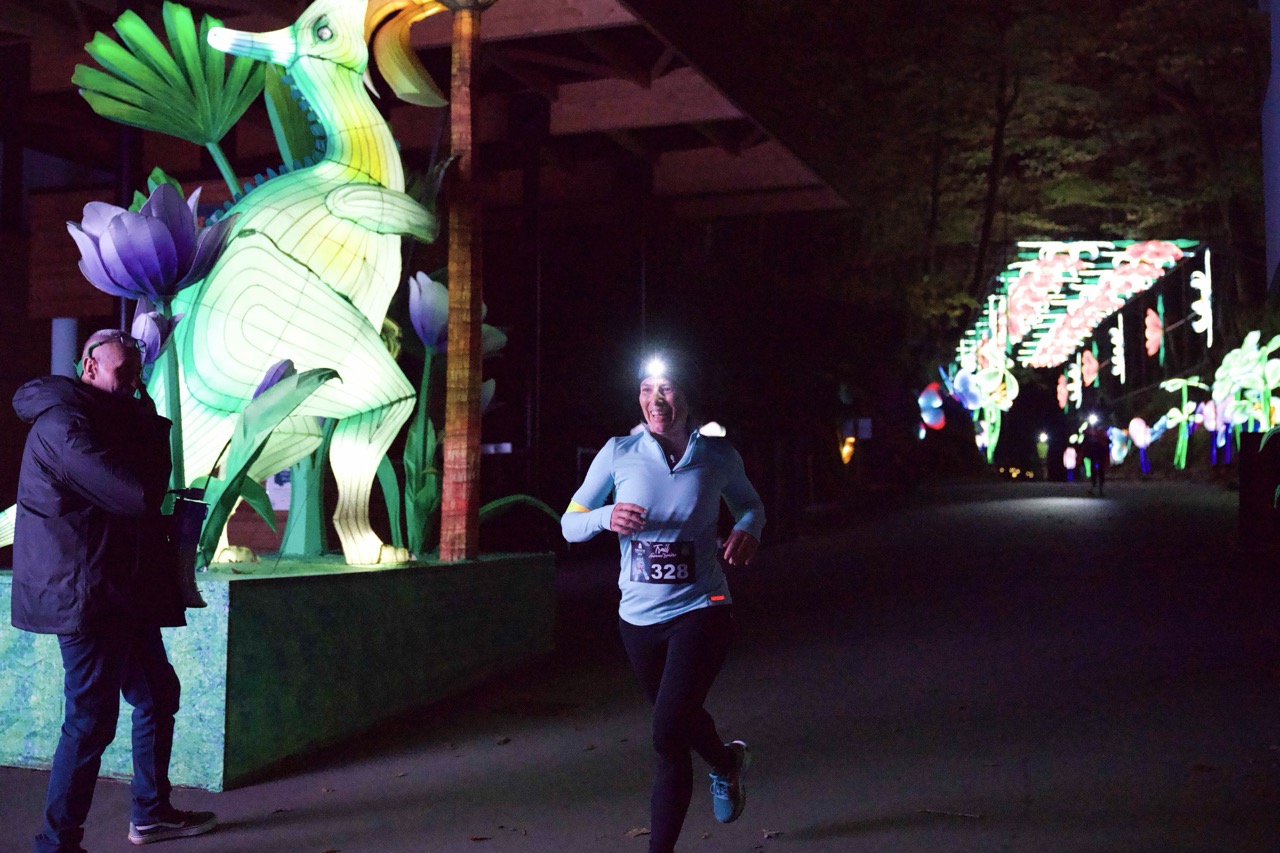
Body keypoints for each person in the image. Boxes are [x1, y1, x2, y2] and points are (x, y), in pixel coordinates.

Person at [11, 329, 216, 852]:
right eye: (124, 372)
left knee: (157, 693)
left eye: (137, 373)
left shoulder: (103, 417)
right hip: (87, 596)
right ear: (89, 367)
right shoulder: (64, 426)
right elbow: (137, 494)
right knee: (89, 721)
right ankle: (56, 845)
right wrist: (150, 423)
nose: (134, 383)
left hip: (118, 590)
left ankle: (151, 813)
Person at [561, 354, 765, 853]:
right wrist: (606, 516)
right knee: (681, 717)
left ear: (688, 396)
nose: (656, 400)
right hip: (638, 621)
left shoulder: (718, 455)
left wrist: (747, 528)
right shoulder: (618, 452)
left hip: (703, 607)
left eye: (667, 388)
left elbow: (750, 505)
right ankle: (726, 762)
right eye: (646, 389)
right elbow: (570, 523)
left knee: (667, 733)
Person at [1082, 414, 1110, 496]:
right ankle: (1094, 486)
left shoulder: (1101, 432)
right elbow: (1085, 442)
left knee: (1101, 469)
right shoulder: (1088, 432)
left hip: (1100, 452)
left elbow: (1107, 440)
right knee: (1093, 469)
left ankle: (1101, 488)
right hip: (1093, 452)